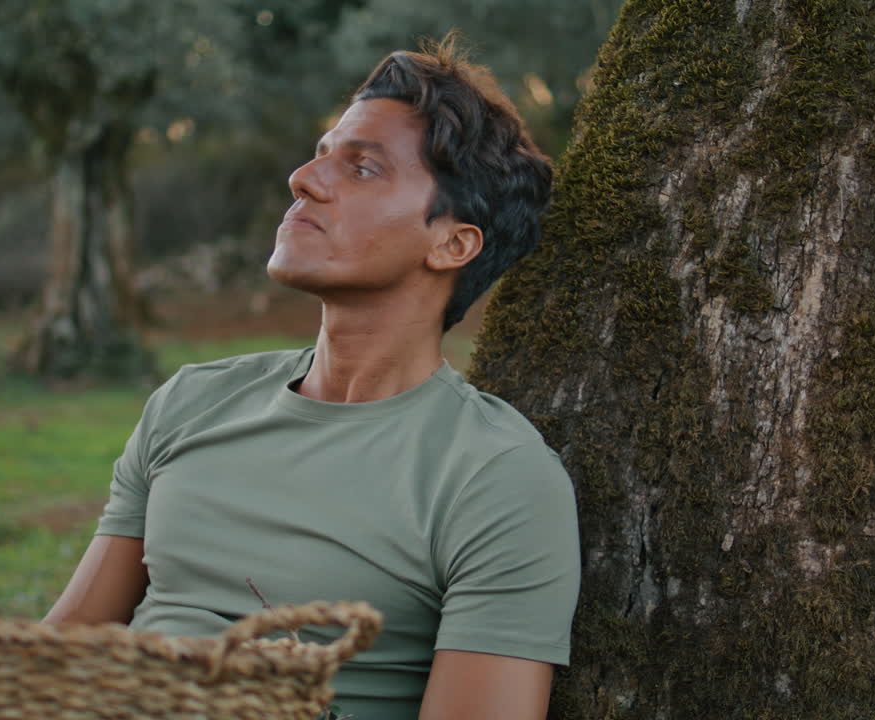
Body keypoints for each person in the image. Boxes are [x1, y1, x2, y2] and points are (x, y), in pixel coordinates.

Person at [45, 35, 580, 720]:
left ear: (452, 242)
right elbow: (60, 653)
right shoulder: (192, 402)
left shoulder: (495, 476)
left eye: (362, 169)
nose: (304, 178)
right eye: (323, 154)